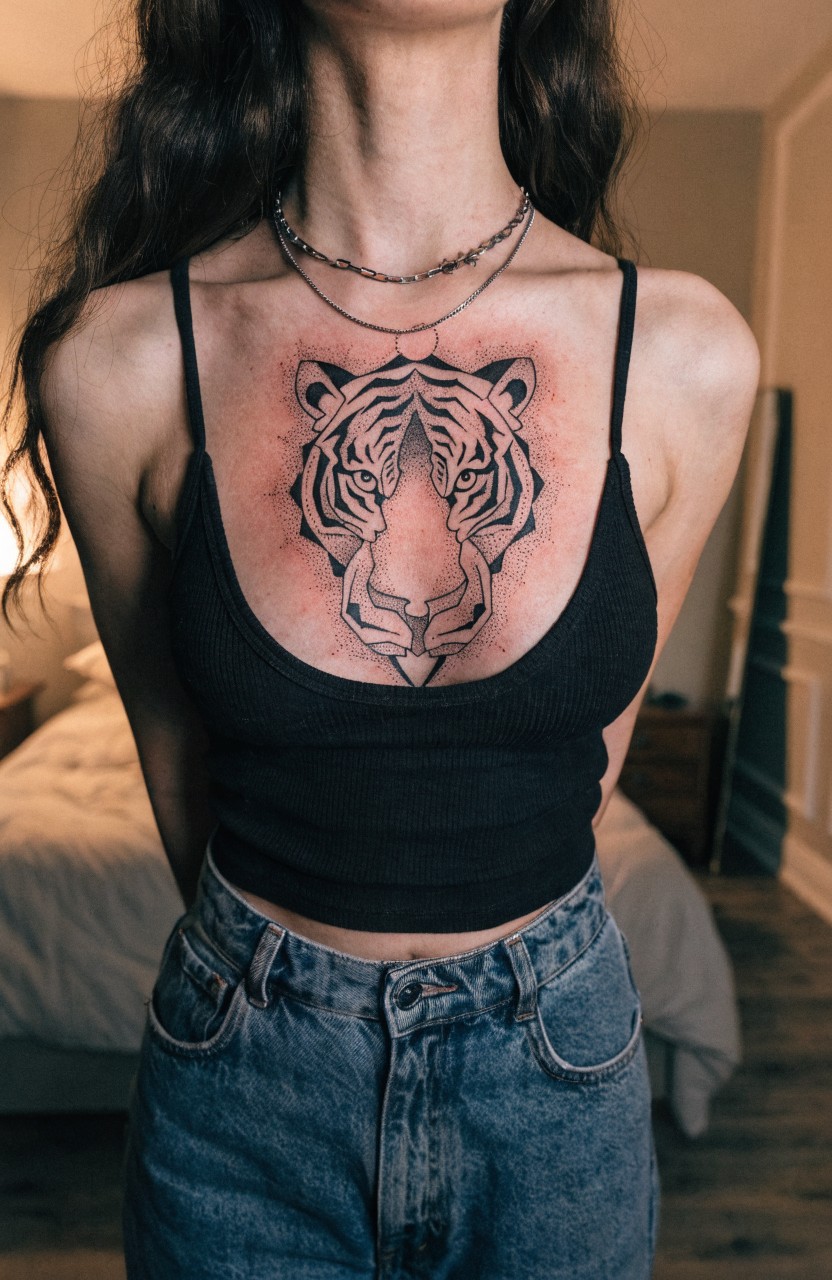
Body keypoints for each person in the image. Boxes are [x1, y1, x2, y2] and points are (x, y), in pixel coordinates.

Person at [2, 1, 759, 1275]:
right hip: (241, 1077)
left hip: (557, 1060)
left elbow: (584, 767)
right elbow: (187, 778)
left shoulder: (681, 354)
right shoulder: (117, 360)